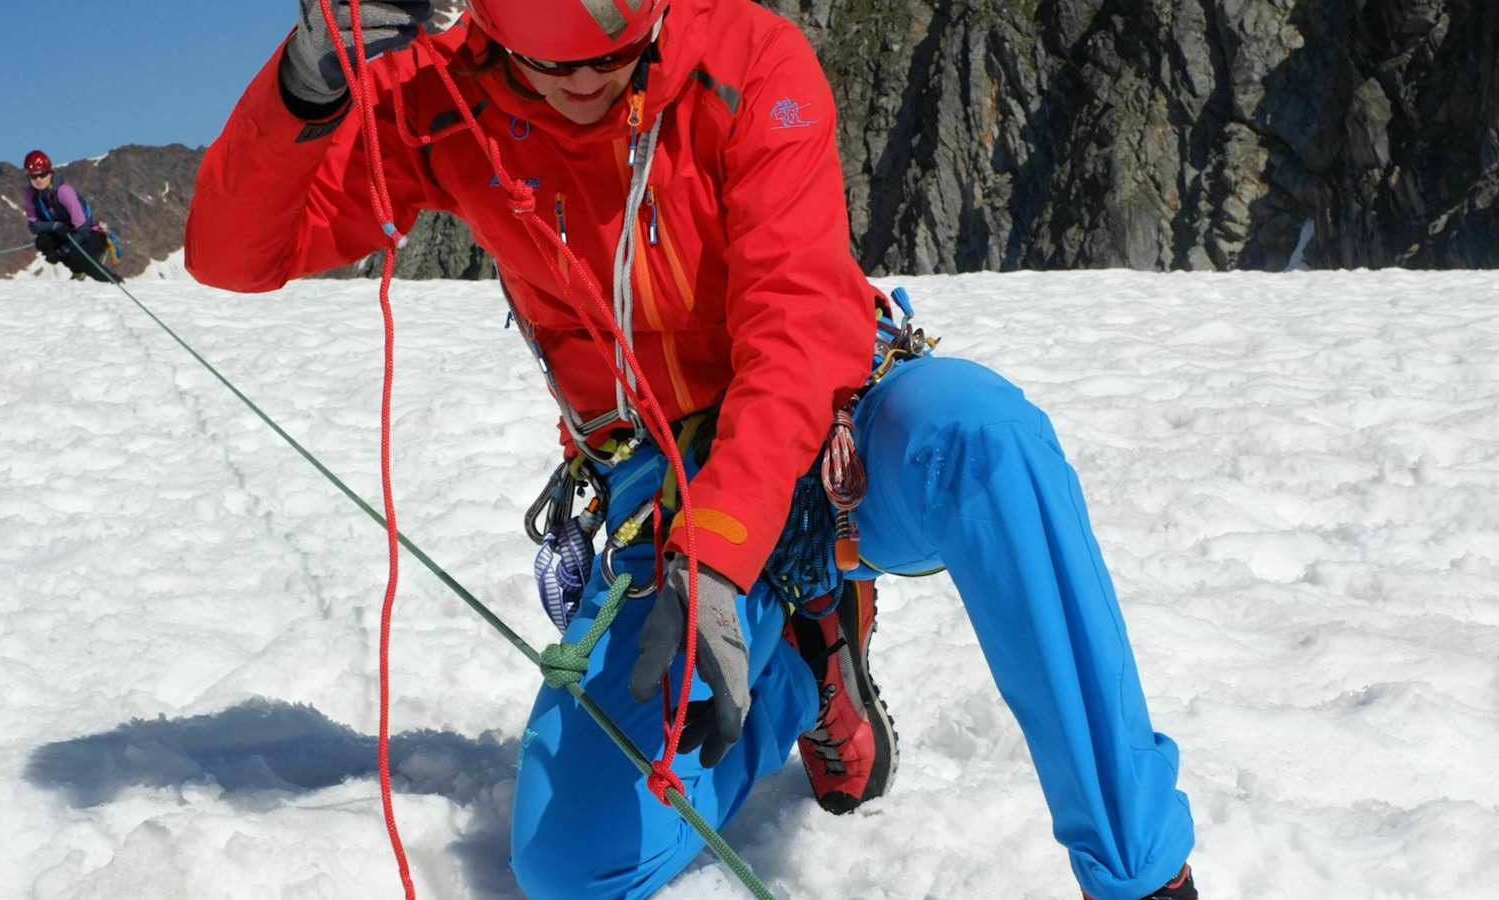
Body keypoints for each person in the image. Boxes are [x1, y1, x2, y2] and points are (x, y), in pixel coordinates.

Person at [185, 2, 1198, 898]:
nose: (586, 83)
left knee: (986, 438)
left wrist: (719, 548)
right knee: (571, 865)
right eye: (557, 64)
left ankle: (1139, 872)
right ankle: (806, 663)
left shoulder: (748, 59)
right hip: (653, 487)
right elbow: (238, 254)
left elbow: (797, 324)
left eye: (614, 58)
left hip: (843, 429)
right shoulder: (437, 100)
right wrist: (303, 88)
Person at [21, 150, 120, 282]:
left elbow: (83, 228)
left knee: (79, 257)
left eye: (43, 174)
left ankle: (113, 280)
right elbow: (33, 225)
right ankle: (77, 269)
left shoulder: (64, 192)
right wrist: (56, 226)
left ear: (50, 173)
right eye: (34, 176)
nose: (39, 179)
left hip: (89, 233)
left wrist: (62, 251)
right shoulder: (30, 194)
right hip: (64, 233)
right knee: (42, 241)